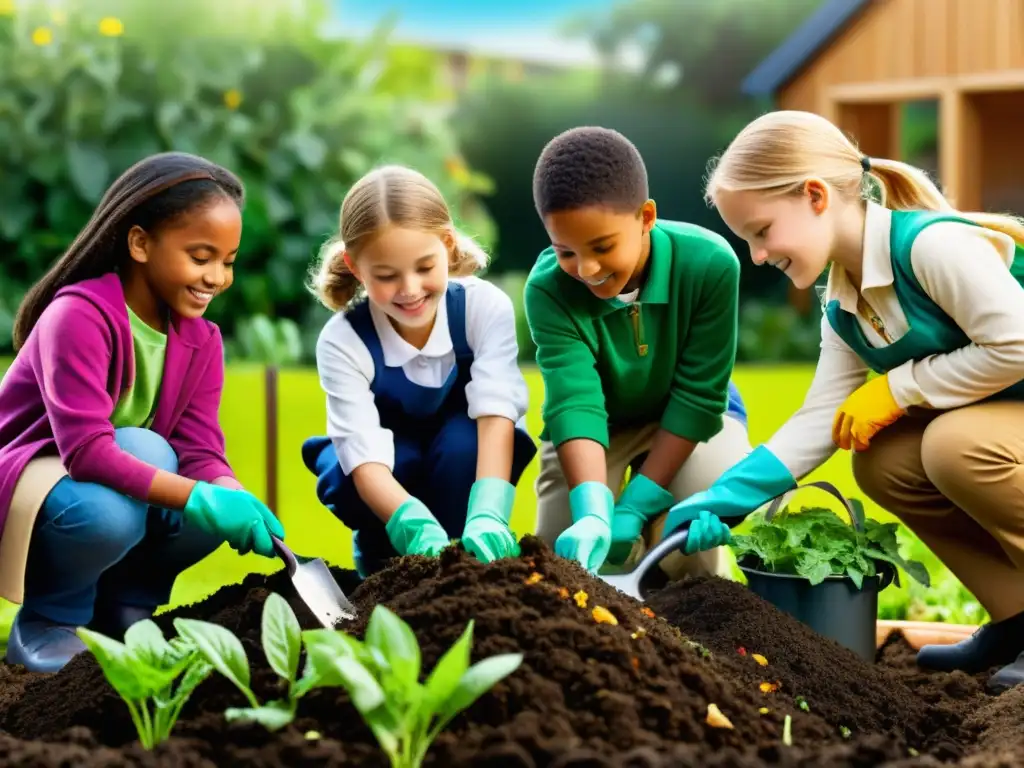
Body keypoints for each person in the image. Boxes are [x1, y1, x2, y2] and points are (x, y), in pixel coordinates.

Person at [667, 108, 1024, 693]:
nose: (757, 255)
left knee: (953, 446)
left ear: (814, 196)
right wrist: (723, 498)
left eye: (761, 232)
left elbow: (1018, 342)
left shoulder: (931, 247)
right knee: (883, 459)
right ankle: (1016, 618)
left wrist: (900, 386)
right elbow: (818, 419)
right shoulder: (845, 303)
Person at [0, 152, 286, 673]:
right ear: (139, 244)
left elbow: (200, 450)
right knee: (146, 455)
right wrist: (202, 495)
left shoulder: (202, 339)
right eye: (201, 257)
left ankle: (126, 614)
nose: (217, 277)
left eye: (228, 260)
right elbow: (87, 452)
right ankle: (50, 621)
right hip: (35, 476)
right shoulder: (79, 316)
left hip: (94, 478)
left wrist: (233, 496)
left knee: (209, 497)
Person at [523, 125, 752, 578]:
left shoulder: (709, 264)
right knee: (563, 562)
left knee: (689, 520)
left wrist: (637, 502)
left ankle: (697, 610)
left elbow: (698, 396)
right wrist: (593, 510)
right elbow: (576, 402)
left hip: (691, 419)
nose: (586, 269)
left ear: (646, 217)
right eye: (564, 251)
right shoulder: (548, 290)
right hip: (598, 425)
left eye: (602, 246)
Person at [301, 165, 535, 578]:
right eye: (387, 276)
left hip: (463, 458)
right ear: (356, 268)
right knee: (386, 461)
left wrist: (489, 512)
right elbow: (364, 456)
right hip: (385, 476)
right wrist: (412, 523)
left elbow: (497, 414)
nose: (409, 289)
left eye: (424, 268)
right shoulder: (344, 340)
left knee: (463, 444)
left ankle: (474, 561)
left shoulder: (483, 309)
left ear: (446, 245)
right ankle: (386, 568)